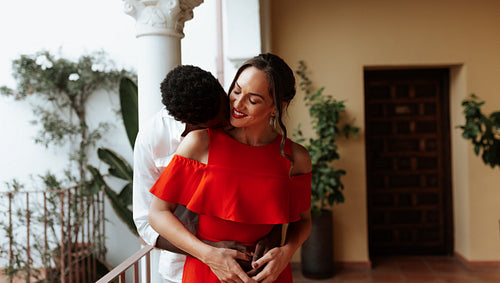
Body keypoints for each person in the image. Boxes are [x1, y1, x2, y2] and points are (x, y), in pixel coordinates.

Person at [149, 53, 313, 283]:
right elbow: (157, 213)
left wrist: (286, 253)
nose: (237, 104)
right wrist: (208, 254)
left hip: (267, 274)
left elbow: (303, 221)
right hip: (207, 272)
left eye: (253, 100)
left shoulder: (296, 157)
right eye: (236, 91)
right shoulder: (199, 143)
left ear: (277, 107)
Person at [133, 65, 279, 283]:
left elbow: (268, 186)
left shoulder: (240, 122)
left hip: (248, 266)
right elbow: (146, 221)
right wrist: (209, 252)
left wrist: (275, 234)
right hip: (178, 270)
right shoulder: (152, 139)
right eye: (220, 124)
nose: (231, 121)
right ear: (193, 127)